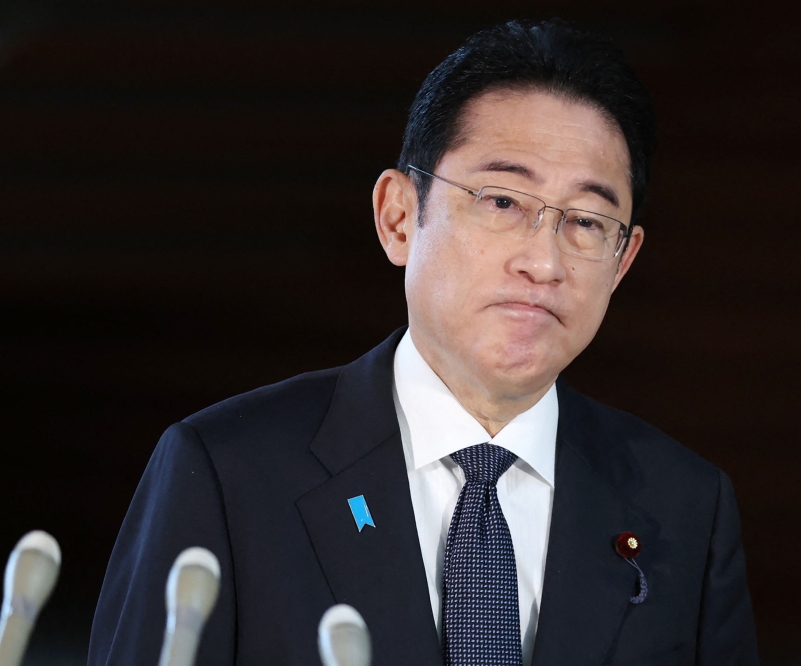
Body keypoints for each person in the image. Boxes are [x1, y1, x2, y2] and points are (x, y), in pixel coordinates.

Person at [89, 19, 757, 666]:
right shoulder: (228, 475)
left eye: (586, 221)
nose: (544, 263)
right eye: (502, 202)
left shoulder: (683, 507)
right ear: (399, 217)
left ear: (623, 260)